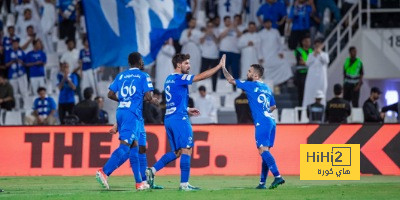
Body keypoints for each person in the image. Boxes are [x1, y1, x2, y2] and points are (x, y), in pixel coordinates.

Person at [146, 53, 226, 191]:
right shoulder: (180, 77)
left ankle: (152, 171)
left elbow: (174, 99)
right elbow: (200, 77)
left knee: (177, 152)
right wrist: (218, 67)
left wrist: (187, 108)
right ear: (178, 65)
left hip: (170, 118)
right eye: (186, 63)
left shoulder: (169, 79)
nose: (189, 66)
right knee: (187, 149)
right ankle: (184, 184)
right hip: (179, 119)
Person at [96, 52, 158, 191]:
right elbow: (148, 96)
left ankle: (139, 183)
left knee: (134, 148)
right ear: (139, 61)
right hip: (132, 114)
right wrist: (150, 98)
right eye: (142, 60)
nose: (143, 62)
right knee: (125, 146)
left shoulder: (121, 75)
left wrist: (124, 101)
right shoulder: (143, 76)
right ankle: (104, 171)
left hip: (121, 112)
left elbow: (110, 94)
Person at [221, 63, 285, 189]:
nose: (247, 73)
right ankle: (262, 183)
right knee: (265, 151)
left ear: (255, 75)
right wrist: (264, 111)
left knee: (262, 150)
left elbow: (230, 80)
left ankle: (278, 176)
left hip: (262, 122)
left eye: (249, 71)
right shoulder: (267, 88)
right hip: (271, 121)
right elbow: (273, 106)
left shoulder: (250, 85)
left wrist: (222, 67)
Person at [258, 19, 292, 86]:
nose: (268, 24)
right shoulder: (260, 33)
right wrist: (260, 57)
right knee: (265, 68)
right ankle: (269, 84)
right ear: (264, 24)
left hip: (275, 55)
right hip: (265, 56)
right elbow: (259, 46)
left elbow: (280, 43)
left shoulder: (275, 32)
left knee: (284, 63)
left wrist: (280, 52)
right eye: (266, 23)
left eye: (269, 23)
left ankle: (283, 81)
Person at [302, 38, 329, 108]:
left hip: (321, 79)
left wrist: (319, 53)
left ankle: (323, 109)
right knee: (309, 94)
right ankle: (307, 109)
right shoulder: (311, 55)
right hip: (311, 79)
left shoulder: (325, 54)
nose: (317, 47)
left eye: (319, 46)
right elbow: (307, 63)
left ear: (322, 46)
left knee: (322, 95)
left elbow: (326, 61)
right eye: (316, 46)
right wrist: (314, 54)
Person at [218, 16, 241, 82]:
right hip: (224, 51)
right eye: (227, 21)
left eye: (230, 21)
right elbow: (221, 36)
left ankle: (236, 86)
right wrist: (229, 27)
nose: (229, 22)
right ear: (224, 22)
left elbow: (240, 35)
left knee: (235, 70)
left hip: (235, 52)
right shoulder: (221, 29)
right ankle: (223, 86)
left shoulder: (236, 29)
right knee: (224, 70)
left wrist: (235, 27)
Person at [199, 21, 219, 92]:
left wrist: (212, 35)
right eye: (209, 26)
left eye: (211, 26)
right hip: (205, 56)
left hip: (214, 57)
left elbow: (218, 42)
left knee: (214, 75)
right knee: (202, 74)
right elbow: (200, 41)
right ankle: (201, 89)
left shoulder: (216, 33)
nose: (210, 28)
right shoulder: (203, 33)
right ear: (206, 27)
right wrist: (206, 34)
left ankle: (214, 89)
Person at [294, 35, 313, 106]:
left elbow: (306, 62)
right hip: (301, 75)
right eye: (306, 41)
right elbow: (301, 62)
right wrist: (309, 63)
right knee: (301, 94)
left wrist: (306, 62)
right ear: (303, 42)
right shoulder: (299, 50)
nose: (308, 43)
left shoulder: (312, 51)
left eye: (309, 41)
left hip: (310, 74)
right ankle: (301, 110)